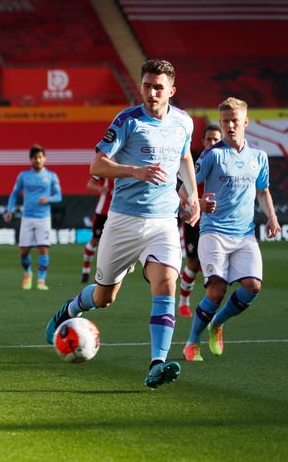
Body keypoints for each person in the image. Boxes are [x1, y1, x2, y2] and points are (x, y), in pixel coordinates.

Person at [44, 59, 199, 389]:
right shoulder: (128, 121)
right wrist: (134, 171)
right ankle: (69, 310)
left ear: (172, 90)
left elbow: (185, 157)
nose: (152, 92)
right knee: (104, 298)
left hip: (164, 222)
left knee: (165, 285)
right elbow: (96, 164)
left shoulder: (184, 122)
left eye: (158, 87)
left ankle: (157, 363)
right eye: (146, 85)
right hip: (124, 221)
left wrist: (193, 196)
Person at [182, 98, 280, 362]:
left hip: (245, 234)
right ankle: (192, 342)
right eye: (225, 121)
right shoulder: (212, 154)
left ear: (245, 122)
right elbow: (184, 190)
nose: (229, 126)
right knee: (216, 291)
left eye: (234, 121)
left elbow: (263, 191)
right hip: (213, 232)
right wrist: (197, 203)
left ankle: (218, 323)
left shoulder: (258, 156)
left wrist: (271, 217)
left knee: (253, 286)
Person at [177, 125, 223, 317]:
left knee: (216, 266)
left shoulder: (226, 163)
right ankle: (184, 303)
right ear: (203, 142)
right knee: (194, 263)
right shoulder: (195, 164)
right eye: (209, 139)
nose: (212, 143)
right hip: (196, 219)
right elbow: (180, 187)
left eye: (215, 140)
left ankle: (209, 307)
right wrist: (189, 205)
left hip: (219, 222)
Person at [4, 145, 62, 291]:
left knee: (43, 249)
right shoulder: (23, 176)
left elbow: (59, 196)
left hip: (44, 218)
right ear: (31, 159)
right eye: (35, 157)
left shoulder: (51, 176)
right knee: (24, 251)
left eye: (40, 157)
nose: (38, 160)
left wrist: (48, 199)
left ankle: (41, 280)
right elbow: (15, 193)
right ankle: (28, 273)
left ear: (44, 158)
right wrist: (9, 210)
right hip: (27, 218)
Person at [81, 175, 113, 283]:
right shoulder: (106, 166)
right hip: (102, 212)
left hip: (119, 213)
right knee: (95, 240)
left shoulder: (128, 166)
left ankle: (107, 275)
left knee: (112, 244)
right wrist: (100, 188)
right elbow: (90, 184)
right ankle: (85, 271)